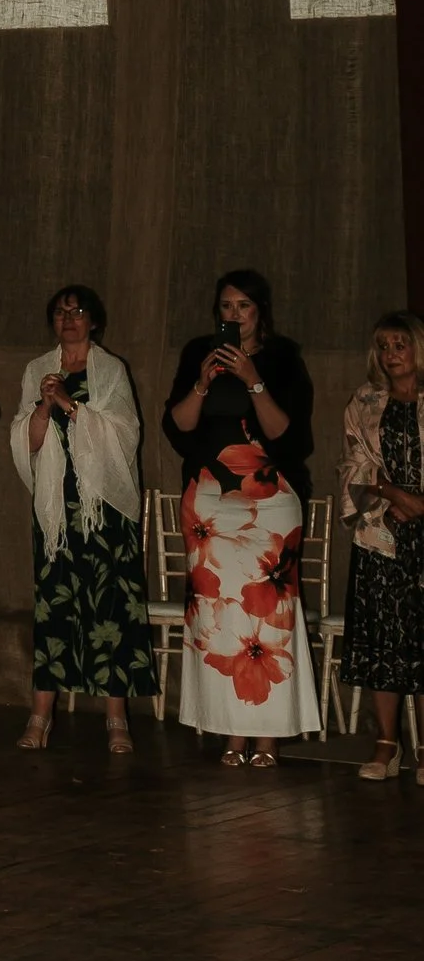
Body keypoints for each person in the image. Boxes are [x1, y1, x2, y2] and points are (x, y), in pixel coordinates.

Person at [163, 269, 319, 767]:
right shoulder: (198, 353)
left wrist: (254, 381)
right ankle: (231, 733)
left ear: (261, 312)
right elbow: (179, 426)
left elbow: (290, 437)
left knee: (267, 616)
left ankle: (269, 736)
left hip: (271, 496)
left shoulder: (283, 358)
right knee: (218, 615)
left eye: (243, 307)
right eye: (226, 307)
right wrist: (203, 383)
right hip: (210, 498)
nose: (234, 316)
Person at [11, 286, 155, 753]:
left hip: (104, 507)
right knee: (53, 605)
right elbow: (26, 440)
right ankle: (40, 714)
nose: (68, 319)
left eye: (77, 311)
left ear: (94, 320)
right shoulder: (38, 369)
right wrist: (44, 404)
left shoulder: (110, 370)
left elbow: (125, 436)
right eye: (59, 312)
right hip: (57, 506)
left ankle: (116, 719)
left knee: (110, 607)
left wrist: (72, 406)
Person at [341, 312, 424, 781]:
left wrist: (420, 504)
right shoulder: (365, 401)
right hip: (382, 531)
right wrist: (394, 496)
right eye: (384, 346)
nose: (392, 355)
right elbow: (352, 463)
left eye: (400, 345)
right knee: (384, 641)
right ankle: (387, 744)